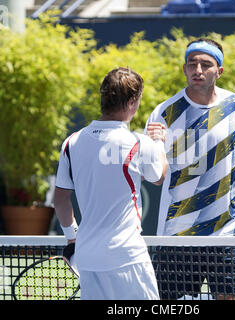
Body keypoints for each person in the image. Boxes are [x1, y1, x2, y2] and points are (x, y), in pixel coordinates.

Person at [145, 38, 235, 300]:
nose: (198, 69)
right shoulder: (164, 113)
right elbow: (154, 178)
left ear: (219, 71)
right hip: (177, 238)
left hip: (228, 233)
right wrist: (154, 145)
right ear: (185, 69)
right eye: (192, 64)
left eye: (206, 64)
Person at [54, 67, 168, 300]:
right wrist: (158, 143)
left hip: (86, 257)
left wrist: (72, 237)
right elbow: (159, 177)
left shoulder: (71, 142)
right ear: (133, 102)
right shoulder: (139, 142)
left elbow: (60, 200)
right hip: (127, 256)